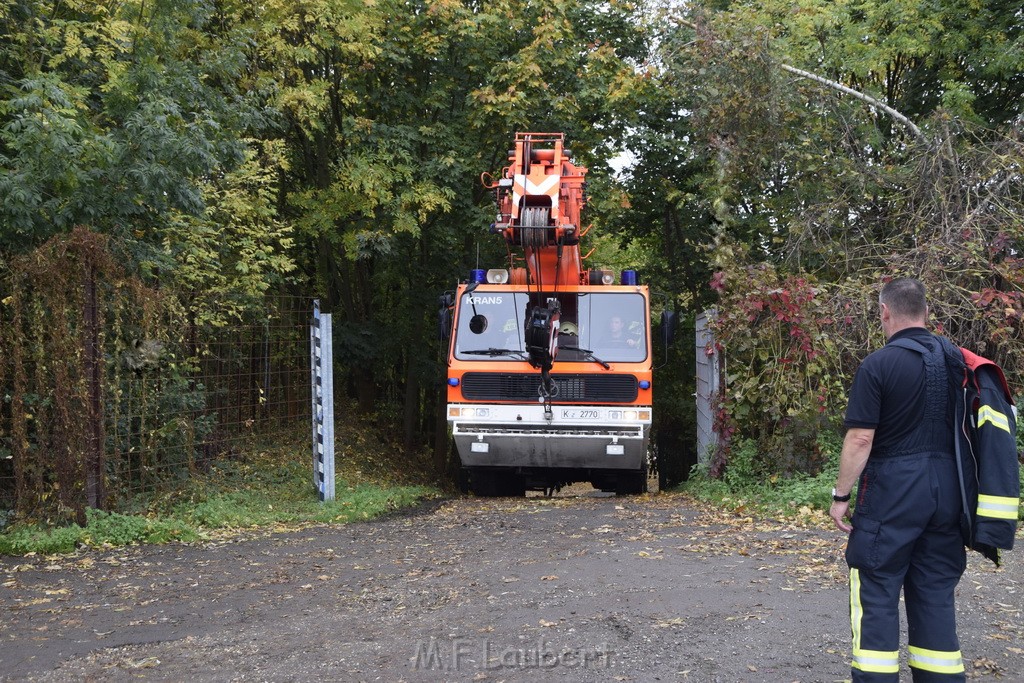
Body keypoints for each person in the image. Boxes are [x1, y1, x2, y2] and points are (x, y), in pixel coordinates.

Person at [830, 278, 966, 682]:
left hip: (893, 492)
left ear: (885, 312)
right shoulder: (959, 361)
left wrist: (841, 495)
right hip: (949, 492)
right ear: (926, 312)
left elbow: (860, 438)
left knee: (876, 588)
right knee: (935, 593)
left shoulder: (879, 364)